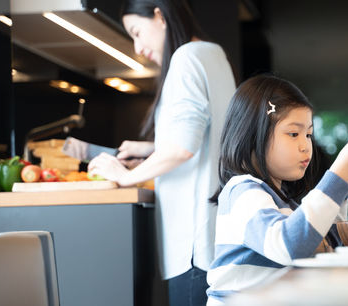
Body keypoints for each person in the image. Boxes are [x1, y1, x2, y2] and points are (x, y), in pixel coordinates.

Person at [87, 0, 236, 305]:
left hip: (192, 246)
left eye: (137, 32)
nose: (138, 47)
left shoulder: (185, 58)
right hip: (216, 235)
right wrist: (152, 149)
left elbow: (183, 147)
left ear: (159, 16)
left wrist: (127, 176)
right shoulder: (214, 53)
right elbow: (211, 134)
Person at [206, 75, 348, 305]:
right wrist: (339, 174)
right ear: (252, 135)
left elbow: (324, 247)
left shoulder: (283, 203)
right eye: (293, 134)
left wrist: (340, 190)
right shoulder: (242, 193)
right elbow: (291, 245)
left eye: (308, 134)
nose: (305, 145)